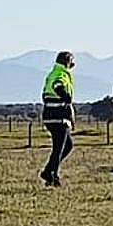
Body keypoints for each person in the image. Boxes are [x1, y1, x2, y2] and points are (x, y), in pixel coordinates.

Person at [39, 51, 76, 187]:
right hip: (58, 117)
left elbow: (44, 93)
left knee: (66, 145)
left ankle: (51, 171)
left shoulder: (51, 74)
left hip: (49, 115)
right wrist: (66, 97)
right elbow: (58, 86)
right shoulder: (61, 74)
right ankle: (50, 173)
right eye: (72, 60)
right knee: (60, 148)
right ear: (67, 61)